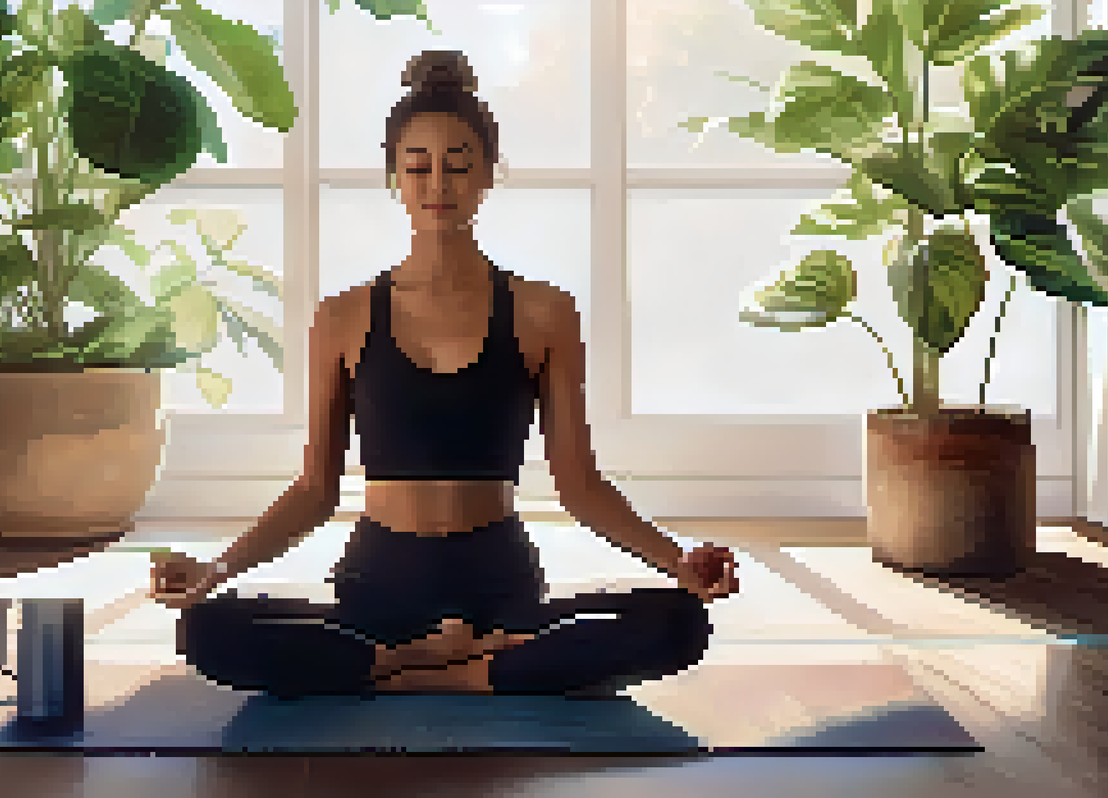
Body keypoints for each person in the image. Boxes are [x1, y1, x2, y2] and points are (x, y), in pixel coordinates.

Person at [149, 50, 738, 698]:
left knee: (681, 623)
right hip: (379, 586)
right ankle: (446, 668)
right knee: (206, 632)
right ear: (393, 177)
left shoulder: (544, 312)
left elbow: (579, 484)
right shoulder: (342, 317)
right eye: (418, 166)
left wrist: (676, 562)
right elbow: (316, 490)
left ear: (488, 174)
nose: (437, 185)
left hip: (498, 586)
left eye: (458, 165)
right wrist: (217, 568)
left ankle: (421, 672)